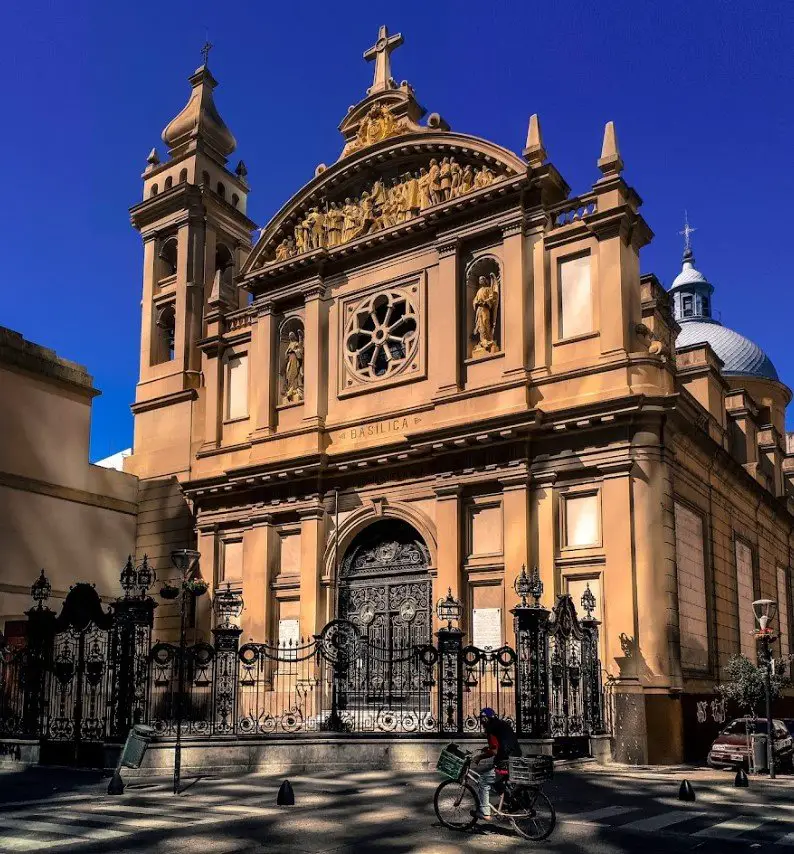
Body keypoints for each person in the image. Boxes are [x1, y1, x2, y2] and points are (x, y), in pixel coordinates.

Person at [471, 707, 522, 820]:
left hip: (505, 761)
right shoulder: (501, 724)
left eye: (482, 719)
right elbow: (499, 744)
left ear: (486, 718)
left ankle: (485, 812)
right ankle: (511, 802)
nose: (481, 722)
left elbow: (494, 751)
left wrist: (479, 757)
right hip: (515, 758)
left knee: (483, 781)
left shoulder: (491, 729)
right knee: (496, 780)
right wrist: (487, 749)